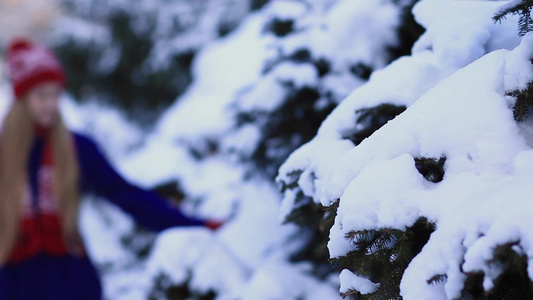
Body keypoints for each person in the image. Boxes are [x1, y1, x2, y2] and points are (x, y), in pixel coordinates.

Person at [0, 39, 223, 300]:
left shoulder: (77, 149)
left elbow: (127, 196)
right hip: (14, 283)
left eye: (55, 94)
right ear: (21, 97)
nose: (50, 104)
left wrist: (193, 225)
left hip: (70, 281)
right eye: (41, 95)